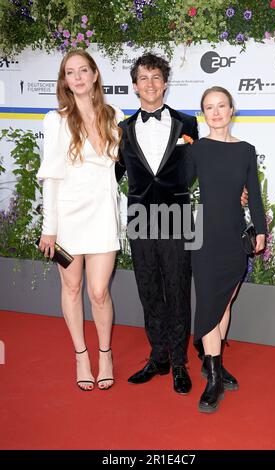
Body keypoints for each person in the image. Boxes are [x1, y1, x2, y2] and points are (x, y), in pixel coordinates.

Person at [37, 50, 124, 391]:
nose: (77, 77)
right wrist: (50, 228)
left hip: (103, 214)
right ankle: (81, 356)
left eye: (83, 70)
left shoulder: (113, 114)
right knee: (72, 288)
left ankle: (106, 353)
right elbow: (52, 177)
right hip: (69, 218)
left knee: (98, 291)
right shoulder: (55, 119)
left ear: (94, 74)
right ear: (65, 80)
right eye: (70, 72)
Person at [115, 53, 199, 394]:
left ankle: (179, 362)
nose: (150, 83)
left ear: (165, 83)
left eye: (155, 77)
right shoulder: (121, 129)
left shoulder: (188, 124)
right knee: (148, 287)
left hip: (178, 214)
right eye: (143, 78)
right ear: (135, 86)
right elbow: (112, 175)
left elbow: (201, 167)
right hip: (139, 215)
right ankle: (159, 355)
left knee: (178, 288)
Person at [186, 86, 266, 412]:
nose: (216, 112)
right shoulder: (197, 150)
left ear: (232, 110)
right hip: (203, 235)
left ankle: (211, 362)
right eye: (209, 107)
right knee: (209, 303)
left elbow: (255, 196)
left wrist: (260, 229)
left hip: (235, 236)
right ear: (203, 114)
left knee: (224, 304)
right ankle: (214, 379)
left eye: (222, 106)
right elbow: (176, 187)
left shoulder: (246, 150)